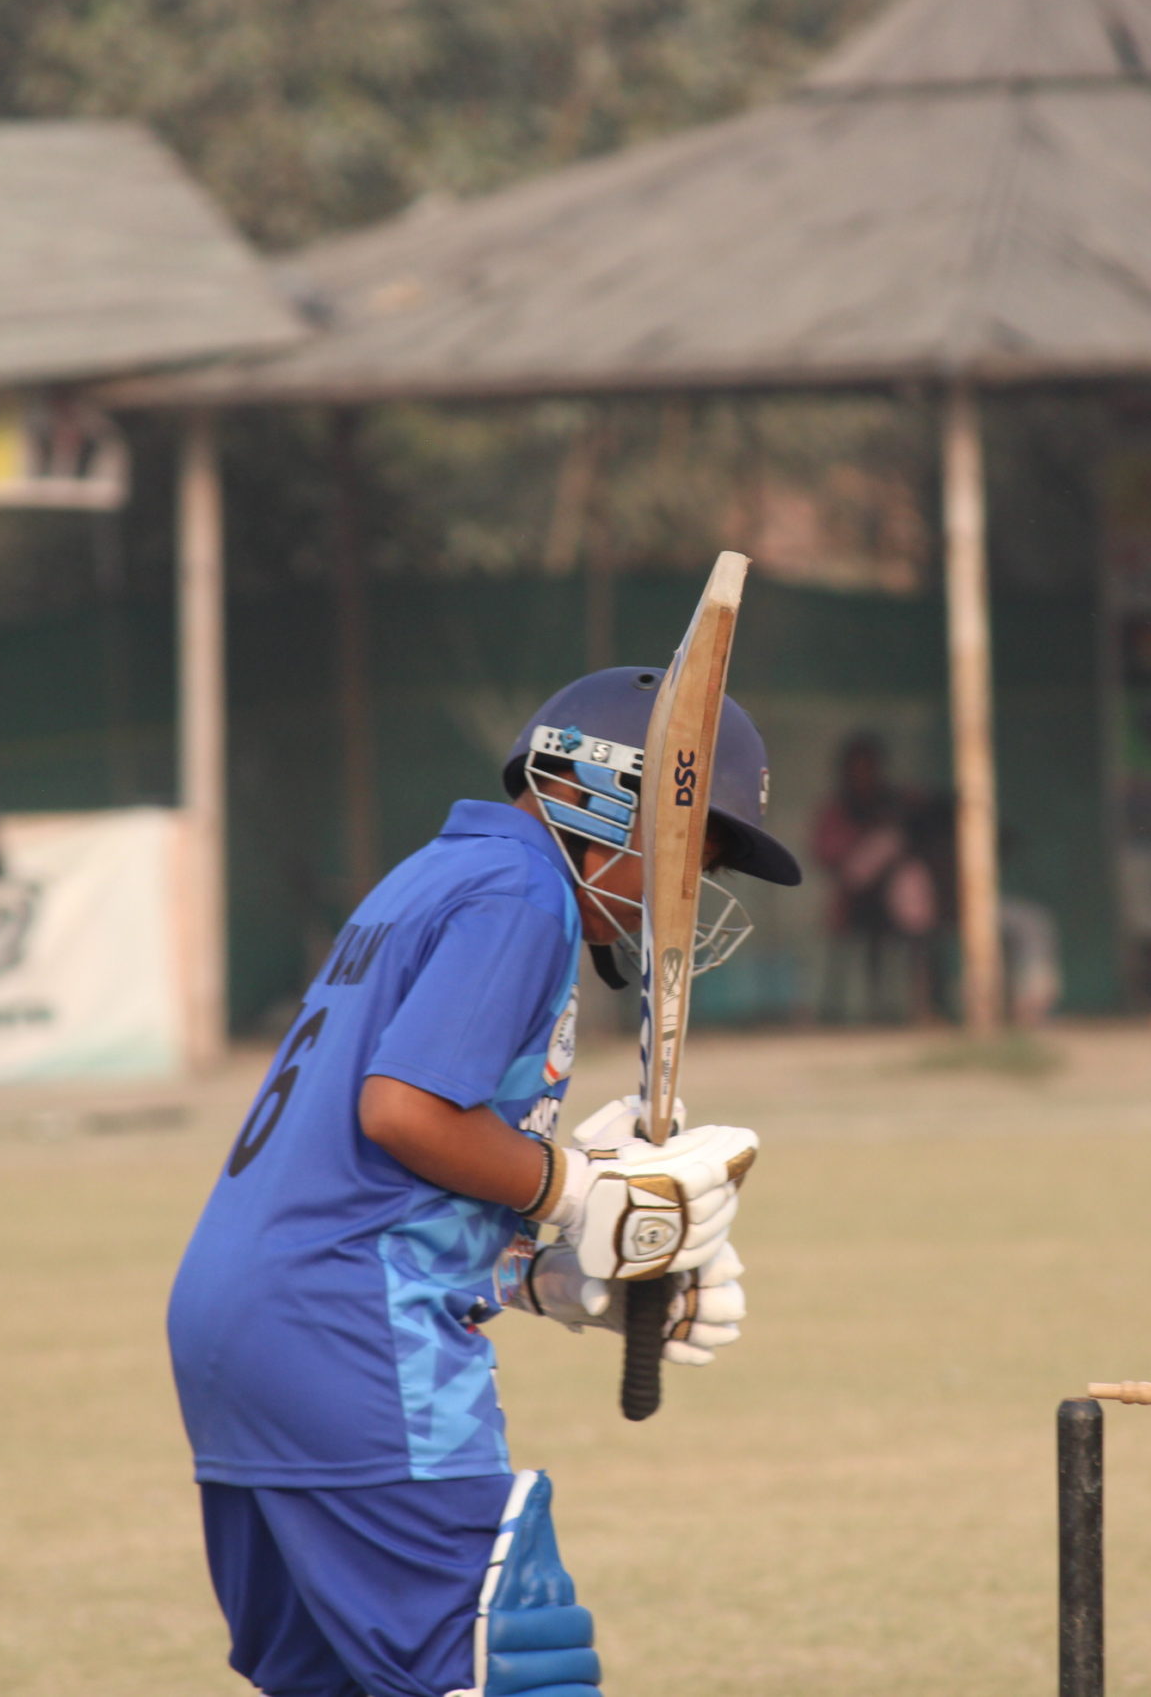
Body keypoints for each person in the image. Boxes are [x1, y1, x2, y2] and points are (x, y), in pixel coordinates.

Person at [164, 666, 801, 1697]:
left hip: (244, 1325)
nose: (693, 890)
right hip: (349, 1335)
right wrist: (580, 1193)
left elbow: (356, 1174)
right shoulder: (520, 893)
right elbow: (402, 1115)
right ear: (607, 801)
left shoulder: (438, 871)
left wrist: (541, 1278)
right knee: (511, 1673)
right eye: (695, 851)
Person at [810, 732, 939, 1022]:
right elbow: (828, 854)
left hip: (898, 901)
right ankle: (858, 1012)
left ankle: (921, 1008)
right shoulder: (838, 809)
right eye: (857, 768)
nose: (863, 775)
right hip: (855, 901)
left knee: (920, 934)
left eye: (869, 767)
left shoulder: (897, 804)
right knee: (866, 942)